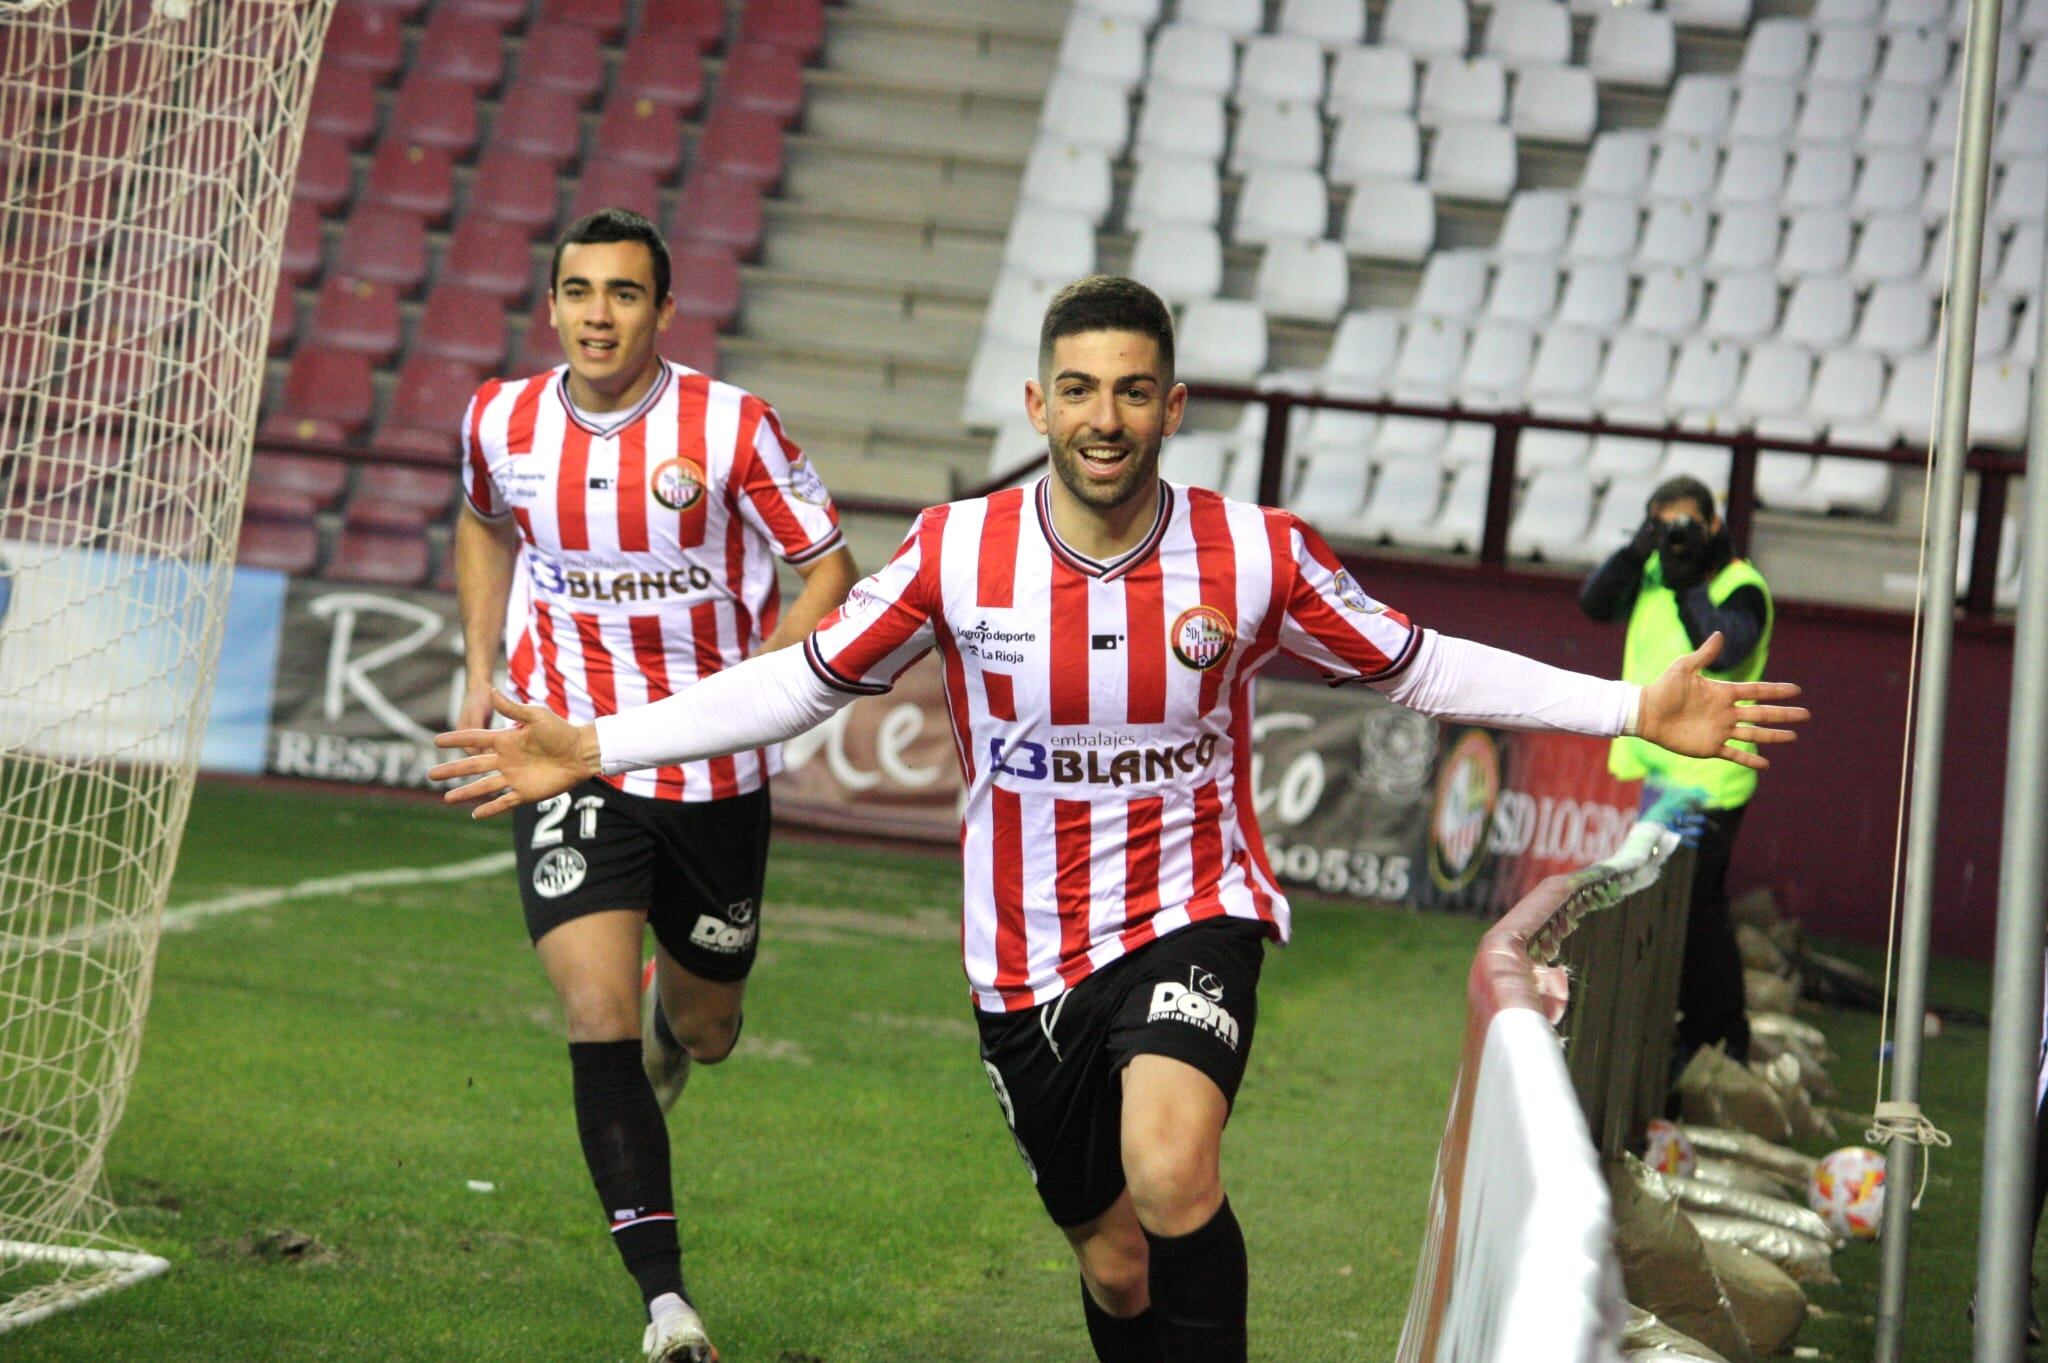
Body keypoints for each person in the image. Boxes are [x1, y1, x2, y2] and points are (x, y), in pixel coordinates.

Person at [434, 275, 1808, 1363]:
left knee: (1172, 1161)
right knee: (1112, 1256)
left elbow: (1420, 661)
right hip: (1022, 958)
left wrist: (1631, 705)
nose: (1105, 416)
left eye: (1133, 392)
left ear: (1173, 405)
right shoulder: (956, 551)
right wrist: (596, 743)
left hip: (1190, 912)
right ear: (1037, 400)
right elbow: (800, 681)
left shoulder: (1254, 552)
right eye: (1079, 389)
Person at [452, 207, 858, 1363]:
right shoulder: (501, 417)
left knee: (708, 1022)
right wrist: (483, 672)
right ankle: (666, 1304)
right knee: (590, 1009)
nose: (597, 313)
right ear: (552, 305)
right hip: (557, 745)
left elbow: (825, 564)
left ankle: (673, 1026)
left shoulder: (730, 430)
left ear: (664, 310)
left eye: (623, 293)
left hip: (709, 769)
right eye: (578, 291)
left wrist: (743, 699)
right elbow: (483, 524)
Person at [1577, 475, 1772, 1071]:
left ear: (1714, 526)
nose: (1676, 540)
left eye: (1686, 527)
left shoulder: (1742, 586)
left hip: (1711, 779)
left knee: (1692, 913)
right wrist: (1638, 551)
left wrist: (1687, 578)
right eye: (1665, 526)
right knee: (1678, 910)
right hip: (1663, 774)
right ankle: (1700, 1036)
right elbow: (1593, 605)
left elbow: (1726, 648)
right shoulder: (1654, 571)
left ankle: (1716, 1038)